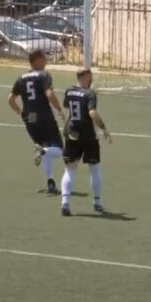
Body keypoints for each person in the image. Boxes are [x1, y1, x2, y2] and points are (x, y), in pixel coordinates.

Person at [8, 50, 66, 193]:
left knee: (43, 148)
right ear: (37, 60)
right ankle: (42, 151)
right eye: (44, 58)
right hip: (44, 117)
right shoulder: (43, 75)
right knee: (58, 150)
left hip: (30, 118)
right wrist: (59, 109)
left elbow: (11, 99)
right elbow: (49, 94)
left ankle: (50, 182)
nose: (46, 61)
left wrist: (19, 112)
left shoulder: (21, 78)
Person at [60, 68, 111, 217]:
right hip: (88, 136)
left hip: (72, 134)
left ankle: (65, 203)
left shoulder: (69, 91)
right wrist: (104, 128)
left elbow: (67, 108)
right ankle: (97, 202)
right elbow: (92, 112)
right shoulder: (90, 94)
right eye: (91, 76)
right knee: (94, 168)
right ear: (86, 76)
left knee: (70, 169)